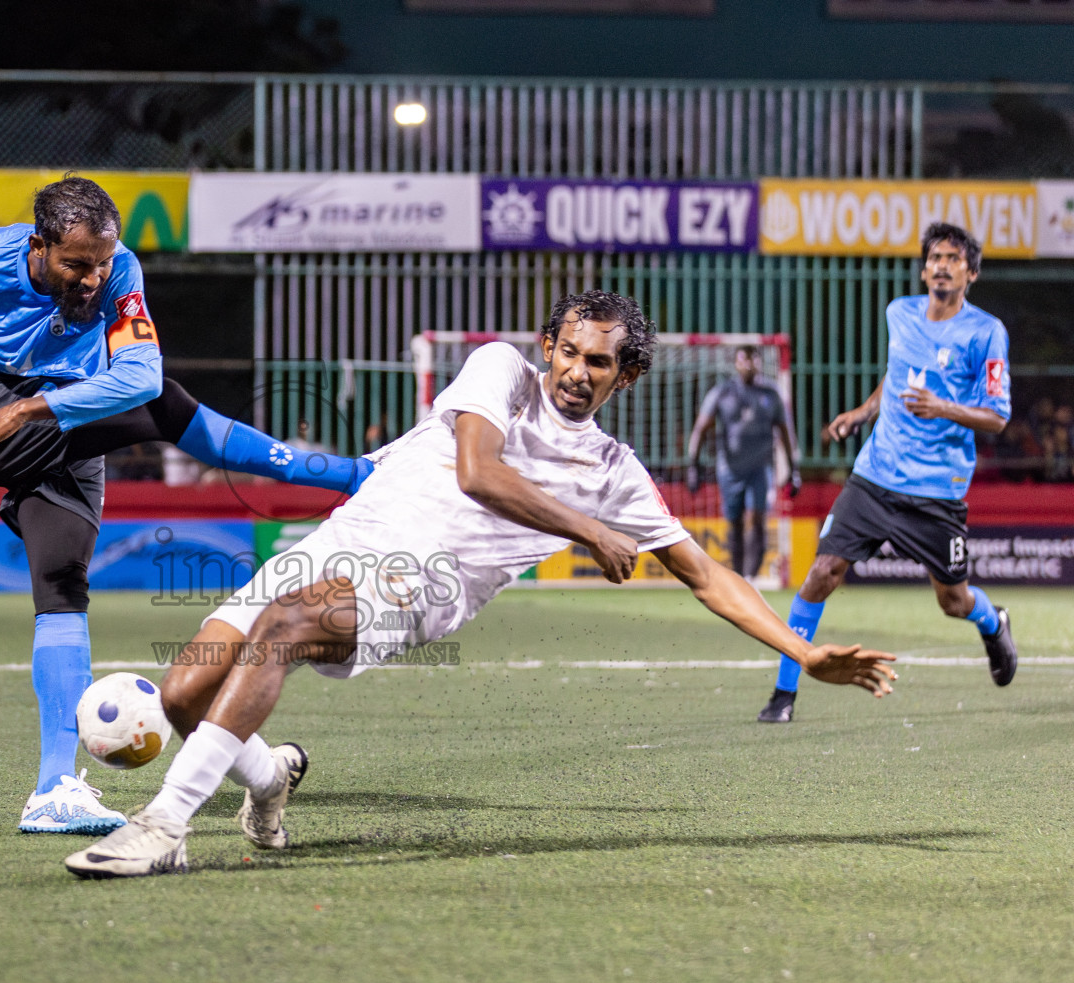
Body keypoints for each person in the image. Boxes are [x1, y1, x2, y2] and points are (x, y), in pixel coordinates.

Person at [64, 291, 898, 878]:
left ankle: (164, 827)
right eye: (569, 350)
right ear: (549, 347)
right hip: (341, 540)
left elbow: (707, 575)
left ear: (625, 377)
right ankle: (270, 778)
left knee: (285, 627)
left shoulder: (614, 473)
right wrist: (587, 530)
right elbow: (477, 471)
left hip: (418, 581)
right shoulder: (498, 370)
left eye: (598, 362)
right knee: (182, 694)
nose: (577, 369)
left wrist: (801, 650)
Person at [0, 174, 372, 836]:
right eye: (76, 264)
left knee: (63, 586)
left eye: (101, 263)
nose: (93, 278)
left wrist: (32, 410)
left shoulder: (119, 267)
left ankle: (54, 791)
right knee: (165, 408)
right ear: (39, 245)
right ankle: (352, 475)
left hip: (64, 416)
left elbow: (137, 373)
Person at [753, 222, 1016, 726]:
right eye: (935, 257)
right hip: (874, 477)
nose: (942, 265)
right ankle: (783, 694)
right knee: (821, 574)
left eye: (953, 259)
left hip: (936, 491)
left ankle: (992, 620)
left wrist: (942, 407)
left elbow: (998, 417)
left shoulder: (986, 332)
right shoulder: (900, 312)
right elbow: (898, 376)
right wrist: (863, 411)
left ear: (972, 273)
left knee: (953, 600)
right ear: (924, 269)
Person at [685, 345, 801, 582]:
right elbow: (700, 429)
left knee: (758, 519)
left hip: (761, 468)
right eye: (743, 360)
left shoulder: (771, 393)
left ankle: (751, 577)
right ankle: (738, 575)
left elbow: (786, 433)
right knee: (734, 522)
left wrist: (794, 468)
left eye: (753, 360)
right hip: (730, 469)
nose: (748, 365)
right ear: (736, 363)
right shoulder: (722, 393)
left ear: (759, 363)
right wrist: (693, 466)